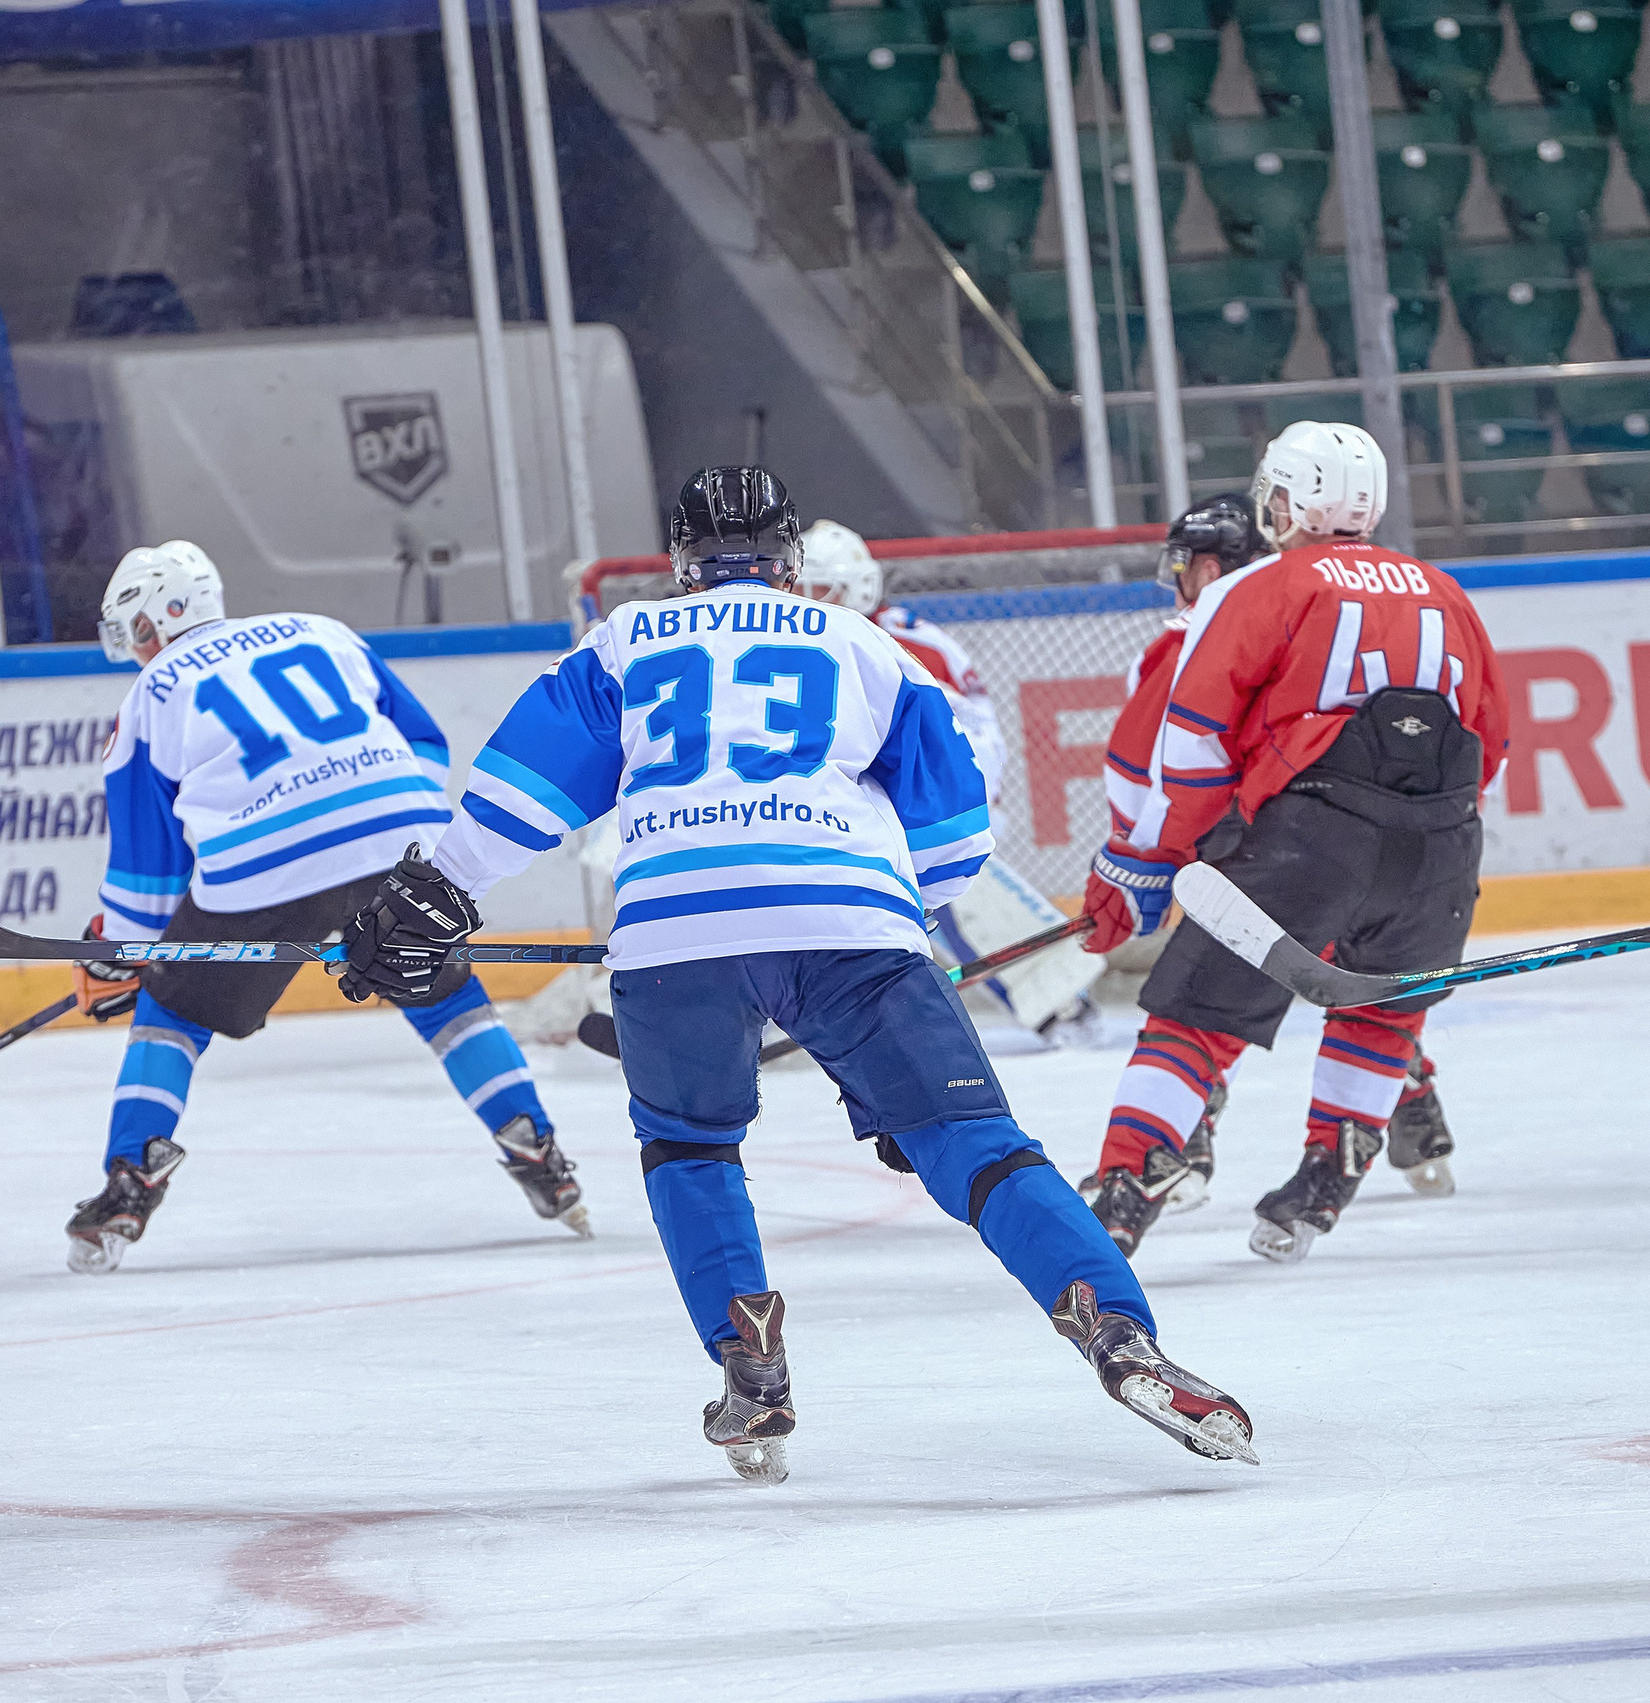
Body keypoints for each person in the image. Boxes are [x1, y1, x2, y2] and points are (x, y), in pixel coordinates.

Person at [335, 467, 1256, 1483]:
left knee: (690, 1145)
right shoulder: (867, 644)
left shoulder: (626, 639)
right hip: (853, 926)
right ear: (789, 558)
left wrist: (440, 886)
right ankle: (1114, 1327)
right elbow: (957, 835)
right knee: (972, 1142)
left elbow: (521, 791)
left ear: (680, 560)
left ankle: (751, 1368)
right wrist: (893, 918)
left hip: (673, 932)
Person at [63, 541, 586, 1273]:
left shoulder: (150, 696)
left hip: (263, 866)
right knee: (440, 991)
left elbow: (148, 872)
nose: (138, 650)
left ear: (163, 617)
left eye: (139, 632)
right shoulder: (322, 630)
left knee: (172, 1010)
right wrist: (390, 838)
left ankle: (131, 1180)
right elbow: (424, 741)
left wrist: (119, 954)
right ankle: (539, 1151)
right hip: (402, 837)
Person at [1078, 427, 1508, 1264]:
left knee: (1197, 1013)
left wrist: (1146, 862)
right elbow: (1493, 741)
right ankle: (1327, 1178)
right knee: (1385, 1009)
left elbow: (1194, 743)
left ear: (1289, 500)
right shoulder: (1447, 591)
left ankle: (1129, 1184)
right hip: (1444, 844)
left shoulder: (1258, 588)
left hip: (1311, 838)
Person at [797, 519, 1107, 1048]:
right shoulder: (860, 636)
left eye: (819, 587)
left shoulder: (895, 643)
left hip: (943, 797)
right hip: (911, 797)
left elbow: (952, 740)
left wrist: (939, 810)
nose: (804, 599)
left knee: (955, 904)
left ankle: (1062, 1002)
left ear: (858, 588)